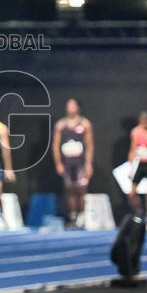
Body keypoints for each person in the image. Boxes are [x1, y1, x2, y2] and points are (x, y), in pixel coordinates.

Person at [53, 98, 93, 228]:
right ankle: (73, 215)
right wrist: (58, 163)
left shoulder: (85, 124)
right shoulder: (61, 125)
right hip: (67, 163)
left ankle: (82, 215)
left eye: (73, 105)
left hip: (80, 162)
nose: (70, 107)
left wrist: (88, 164)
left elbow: (89, 145)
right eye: (68, 105)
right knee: (69, 189)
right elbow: (56, 145)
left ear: (78, 107)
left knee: (81, 189)